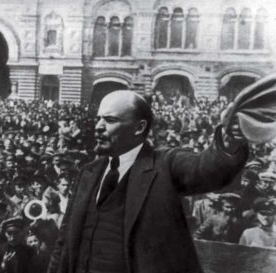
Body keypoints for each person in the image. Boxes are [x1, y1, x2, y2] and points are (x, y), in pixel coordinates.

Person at [48, 90, 249, 273]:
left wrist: (230, 139)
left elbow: (206, 169)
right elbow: (64, 240)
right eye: (98, 119)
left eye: (109, 120)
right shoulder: (88, 173)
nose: (98, 127)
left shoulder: (165, 165)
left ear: (139, 127)